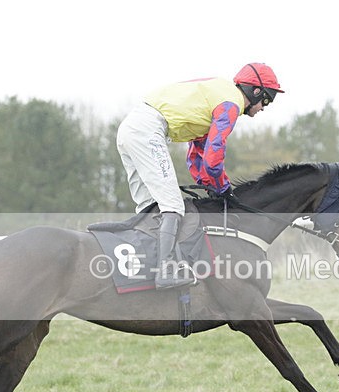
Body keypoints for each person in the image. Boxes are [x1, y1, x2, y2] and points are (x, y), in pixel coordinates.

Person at [116, 63, 284, 290]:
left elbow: (197, 156)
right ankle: (165, 272)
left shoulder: (217, 97)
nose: (264, 107)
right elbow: (214, 157)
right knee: (173, 206)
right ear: (256, 91)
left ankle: (147, 269)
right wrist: (224, 188)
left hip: (132, 127)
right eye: (267, 99)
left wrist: (209, 185)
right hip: (148, 129)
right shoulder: (230, 103)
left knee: (150, 206)